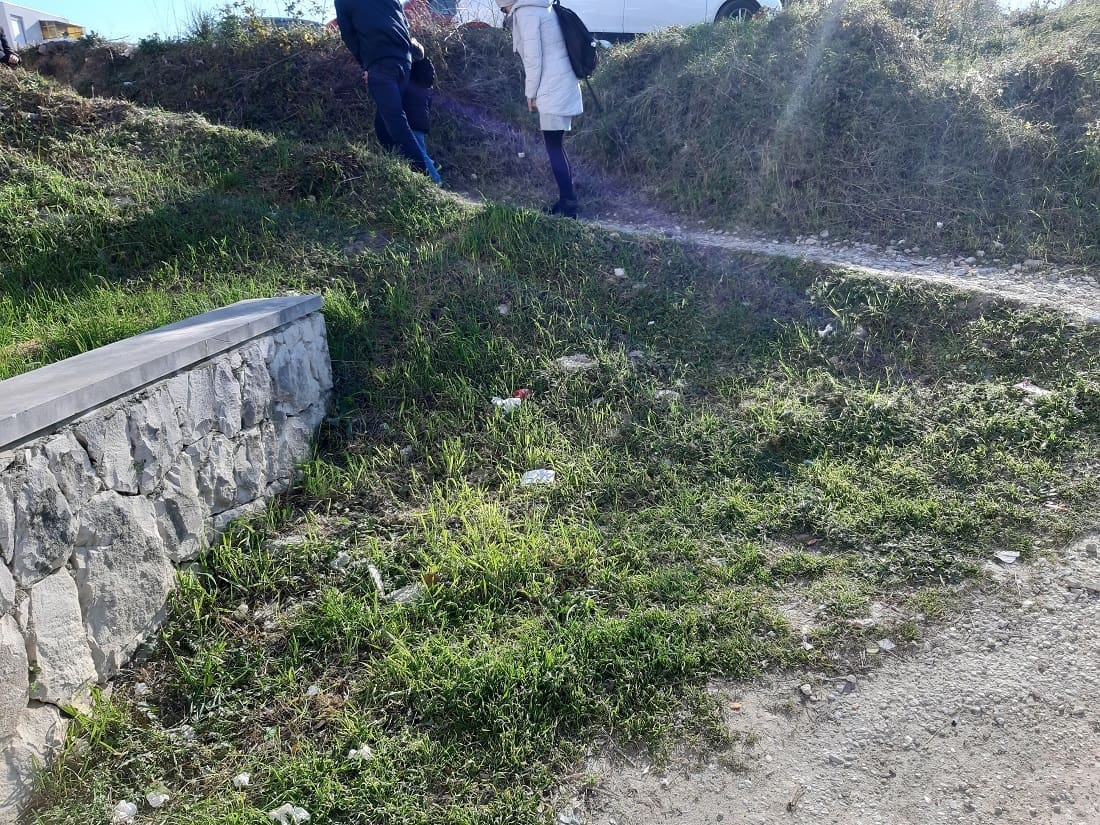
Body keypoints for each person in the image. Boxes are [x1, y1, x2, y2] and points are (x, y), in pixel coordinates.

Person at [498, 0, 583, 218]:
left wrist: (531, 93)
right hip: (561, 83)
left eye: (503, 9)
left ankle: (569, 204)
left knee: (554, 147)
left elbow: (533, 60)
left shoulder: (526, 14)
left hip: (551, 87)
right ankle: (567, 199)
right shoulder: (542, 6)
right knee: (556, 145)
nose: (505, 13)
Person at [334, 0, 429, 176]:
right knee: (383, 125)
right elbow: (404, 23)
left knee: (395, 121)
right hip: (404, 61)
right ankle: (400, 170)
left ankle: (424, 175)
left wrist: (366, 64)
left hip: (381, 63)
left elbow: (348, 35)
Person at [405, 38, 442, 185]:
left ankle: (436, 181)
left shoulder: (412, 74)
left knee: (419, 153)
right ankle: (434, 165)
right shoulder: (424, 75)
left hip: (412, 119)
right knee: (419, 150)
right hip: (420, 120)